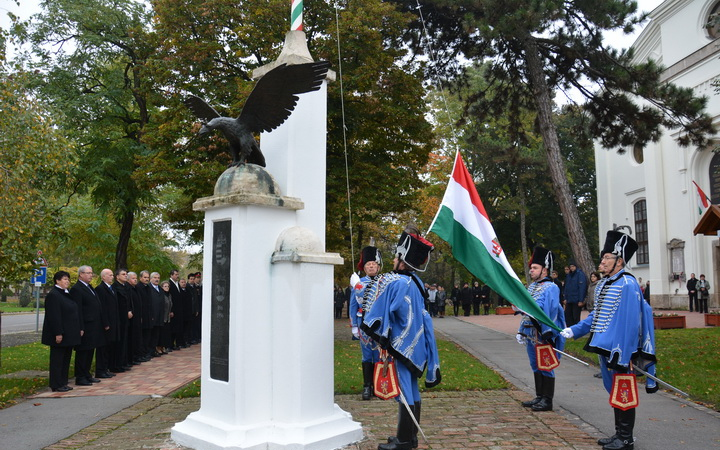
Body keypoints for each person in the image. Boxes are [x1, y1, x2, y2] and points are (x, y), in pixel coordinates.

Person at [561, 231, 658, 450]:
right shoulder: (606, 284)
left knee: (624, 392)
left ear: (619, 261)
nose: (602, 261)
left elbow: (632, 324)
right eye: (603, 257)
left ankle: (626, 439)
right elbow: (596, 318)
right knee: (613, 391)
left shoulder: (627, 284)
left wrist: (626, 354)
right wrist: (574, 330)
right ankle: (618, 434)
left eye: (607, 257)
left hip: (620, 352)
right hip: (604, 348)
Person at [361, 227, 441, 450]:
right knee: (411, 389)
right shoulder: (413, 281)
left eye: (397, 256)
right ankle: (408, 436)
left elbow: (383, 311)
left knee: (405, 390)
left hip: (403, 345)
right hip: (415, 346)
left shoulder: (398, 282)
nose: (394, 260)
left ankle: (404, 441)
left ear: (403, 261)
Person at [516, 246, 565, 412]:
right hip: (530, 332)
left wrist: (547, 332)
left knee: (546, 365)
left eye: (535, 268)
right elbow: (526, 311)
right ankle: (539, 395)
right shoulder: (532, 287)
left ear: (545, 270)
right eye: (531, 268)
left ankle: (547, 399)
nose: (531, 270)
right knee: (535, 364)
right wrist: (521, 330)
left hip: (543, 333)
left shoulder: (551, 287)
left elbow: (550, 312)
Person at [349, 245, 383, 400]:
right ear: (364, 267)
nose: (371, 266)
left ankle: (378, 386)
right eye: (368, 264)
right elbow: (352, 305)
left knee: (379, 355)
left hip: (380, 325)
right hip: (363, 324)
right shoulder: (358, 281)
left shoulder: (383, 282)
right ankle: (367, 386)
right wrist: (354, 326)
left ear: (378, 267)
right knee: (366, 355)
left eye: (374, 264)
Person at [42, 271, 82, 392]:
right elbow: (54, 316)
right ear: (57, 281)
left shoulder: (65, 293)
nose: (67, 282)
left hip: (69, 333)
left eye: (68, 279)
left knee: (65, 359)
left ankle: (63, 382)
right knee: (57, 360)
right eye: (64, 279)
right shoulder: (54, 295)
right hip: (60, 333)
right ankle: (56, 383)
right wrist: (58, 333)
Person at [71, 265, 105, 386]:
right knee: (83, 352)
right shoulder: (77, 289)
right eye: (88, 273)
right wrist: (80, 327)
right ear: (81, 274)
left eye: (91, 273)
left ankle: (87, 374)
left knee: (90, 350)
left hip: (94, 325)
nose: (91, 275)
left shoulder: (89, 287)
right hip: (85, 325)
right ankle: (80, 377)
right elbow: (78, 309)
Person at [95, 268, 119, 378]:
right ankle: (100, 370)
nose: (112, 277)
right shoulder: (100, 289)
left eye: (112, 275)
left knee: (109, 347)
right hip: (106, 323)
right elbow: (102, 308)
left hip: (113, 321)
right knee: (103, 348)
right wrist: (105, 323)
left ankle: (106, 368)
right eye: (109, 275)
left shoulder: (111, 288)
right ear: (103, 277)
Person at [564, 260, 588, 326]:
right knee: (568, 315)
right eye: (570, 266)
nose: (571, 268)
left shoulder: (580, 274)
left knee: (576, 316)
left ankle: (576, 331)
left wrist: (581, 300)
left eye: (573, 266)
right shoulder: (569, 275)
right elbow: (566, 287)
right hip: (569, 299)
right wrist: (565, 298)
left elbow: (582, 287)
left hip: (576, 299)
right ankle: (569, 329)